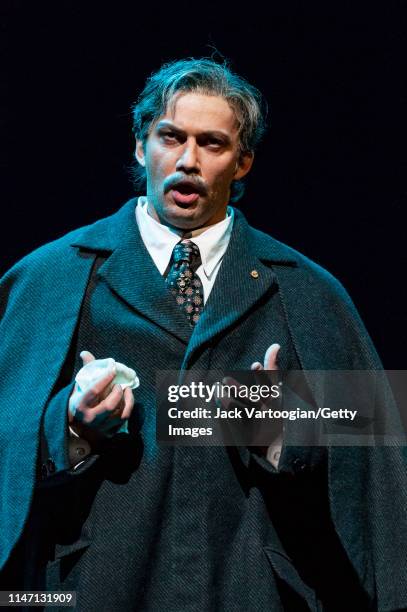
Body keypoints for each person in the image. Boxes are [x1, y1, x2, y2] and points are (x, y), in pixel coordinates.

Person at [0, 58, 406, 611]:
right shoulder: (51, 277)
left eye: (212, 144)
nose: (188, 161)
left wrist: (285, 435)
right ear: (142, 147)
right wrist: (70, 426)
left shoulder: (307, 290)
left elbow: (372, 467)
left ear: (242, 163)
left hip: (251, 589)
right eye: (171, 137)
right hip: (92, 587)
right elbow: (8, 434)